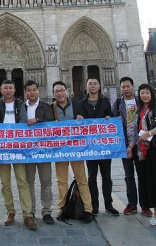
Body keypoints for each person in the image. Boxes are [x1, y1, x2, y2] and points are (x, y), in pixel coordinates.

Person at [111, 73, 156, 216]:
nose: (126, 89)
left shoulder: (141, 100)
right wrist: (112, 118)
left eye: (128, 86)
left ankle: (145, 204)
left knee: (143, 175)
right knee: (128, 176)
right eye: (123, 87)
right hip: (126, 144)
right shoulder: (118, 103)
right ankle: (132, 204)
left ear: (133, 87)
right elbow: (112, 120)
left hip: (142, 145)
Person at [128, 83, 156, 229]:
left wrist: (149, 133)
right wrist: (130, 147)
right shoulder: (138, 110)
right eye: (142, 93)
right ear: (139, 95)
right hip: (143, 152)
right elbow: (136, 132)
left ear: (151, 94)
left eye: (147, 93)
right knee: (149, 182)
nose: (145, 95)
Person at [0, 79, 36, 230]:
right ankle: (10, 212)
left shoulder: (20, 104)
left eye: (10, 88)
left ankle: (27, 215)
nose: (8, 90)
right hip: (2, 149)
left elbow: (24, 122)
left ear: (14, 89)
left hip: (17, 148)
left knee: (22, 181)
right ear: (0, 90)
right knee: (5, 183)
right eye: (5, 88)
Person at [52, 81, 92, 223]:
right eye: (57, 91)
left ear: (67, 91)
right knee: (61, 181)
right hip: (60, 150)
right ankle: (62, 208)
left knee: (81, 179)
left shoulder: (76, 104)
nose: (60, 93)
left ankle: (88, 209)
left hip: (76, 149)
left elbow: (88, 124)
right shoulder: (53, 108)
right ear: (54, 94)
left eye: (62, 90)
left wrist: (82, 119)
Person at [80, 78, 119, 216]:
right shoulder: (82, 104)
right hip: (90, 147)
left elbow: (112, 117)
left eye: (95, 83)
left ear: (99, 86)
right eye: (90, 83)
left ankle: (109, 204)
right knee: (91, 177)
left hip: (104, 146)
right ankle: (94, 205)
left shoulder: (106, 102)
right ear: (86, 86)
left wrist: (111, 118)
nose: (92, 86)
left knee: (106, 176)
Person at [23, 79, 54, 224]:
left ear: (38, 91)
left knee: (46, 182)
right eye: (29, 90)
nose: (32, 92)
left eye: (34, 89)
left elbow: (51, 122)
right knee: (29, 182)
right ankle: (31, 210)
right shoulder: (21, 108)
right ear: (25, 93)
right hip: (28, 151)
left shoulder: (46, 107)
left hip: (43, 150)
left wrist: (37, 120)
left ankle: (46, 211)